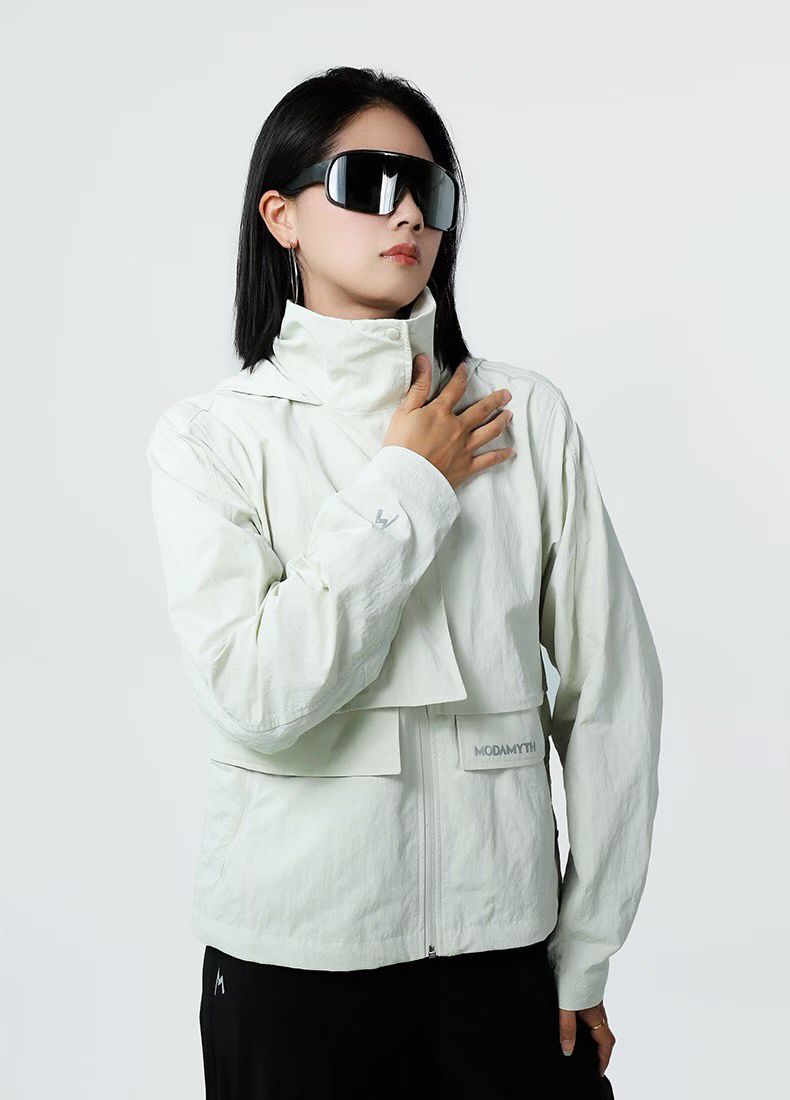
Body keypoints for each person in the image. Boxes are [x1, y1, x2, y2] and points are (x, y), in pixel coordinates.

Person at [147, 66, 662, 1099]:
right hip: (292, 962)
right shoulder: (211, 439)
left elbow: (611, 694)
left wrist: (586, 945)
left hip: (502, 952)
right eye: (367, 179)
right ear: (281, 216)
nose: (409, 212)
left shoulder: (524, 418)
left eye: (430, 188)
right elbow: (256, 694)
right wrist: (407, 482)